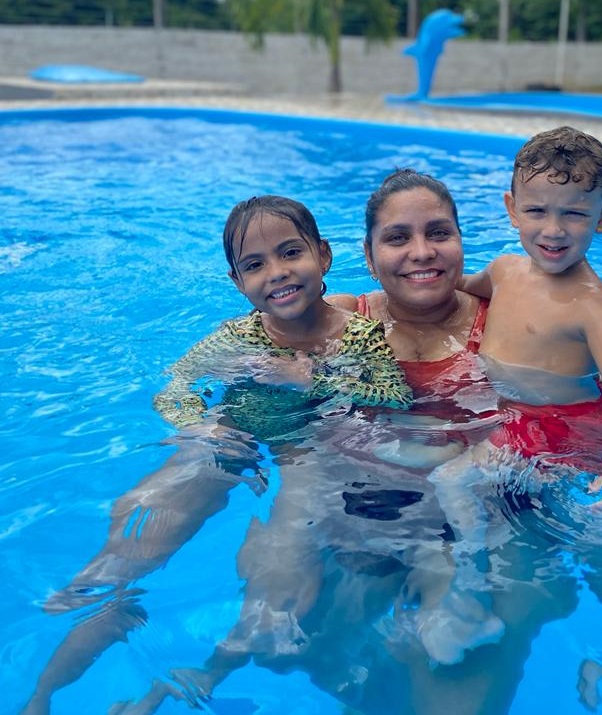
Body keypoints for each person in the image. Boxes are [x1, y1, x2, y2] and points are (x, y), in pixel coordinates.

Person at [116, 170, 583, 715]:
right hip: (367, 512)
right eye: (397, 237)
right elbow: (247, 355)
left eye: (438, 232)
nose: (421, 252)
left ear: (461, 239)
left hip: (484, 514)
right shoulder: (341, 320)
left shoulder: (509, 324)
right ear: (367, 254)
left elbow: (566, 425)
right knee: (300, 643)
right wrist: (208, 425)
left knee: (452, 672)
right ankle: (209, 669)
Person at [19, 194, 412, 715]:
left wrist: (311, 379)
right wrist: (199, 427)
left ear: (323, 255)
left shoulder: (359, 336)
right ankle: (53, 676)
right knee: (145, 512)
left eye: (290, 252)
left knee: (285, 562)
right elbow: (175, 387)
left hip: (306, 446)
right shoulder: (236, 337)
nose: (276, 272)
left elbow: (394, 395)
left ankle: (210, 665)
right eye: (255, 265)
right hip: (233, 435)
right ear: (237, 282)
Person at [426, 126, 602, 670]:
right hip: (517, 417)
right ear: (512, 208)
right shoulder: (505, 271)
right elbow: (455, 290)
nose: (553, 230)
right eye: (536, 210)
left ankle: (470, 593)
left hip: (563, 425)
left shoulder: (591, 307)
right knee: (580, 526)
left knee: (451, 481)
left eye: (574, 214)